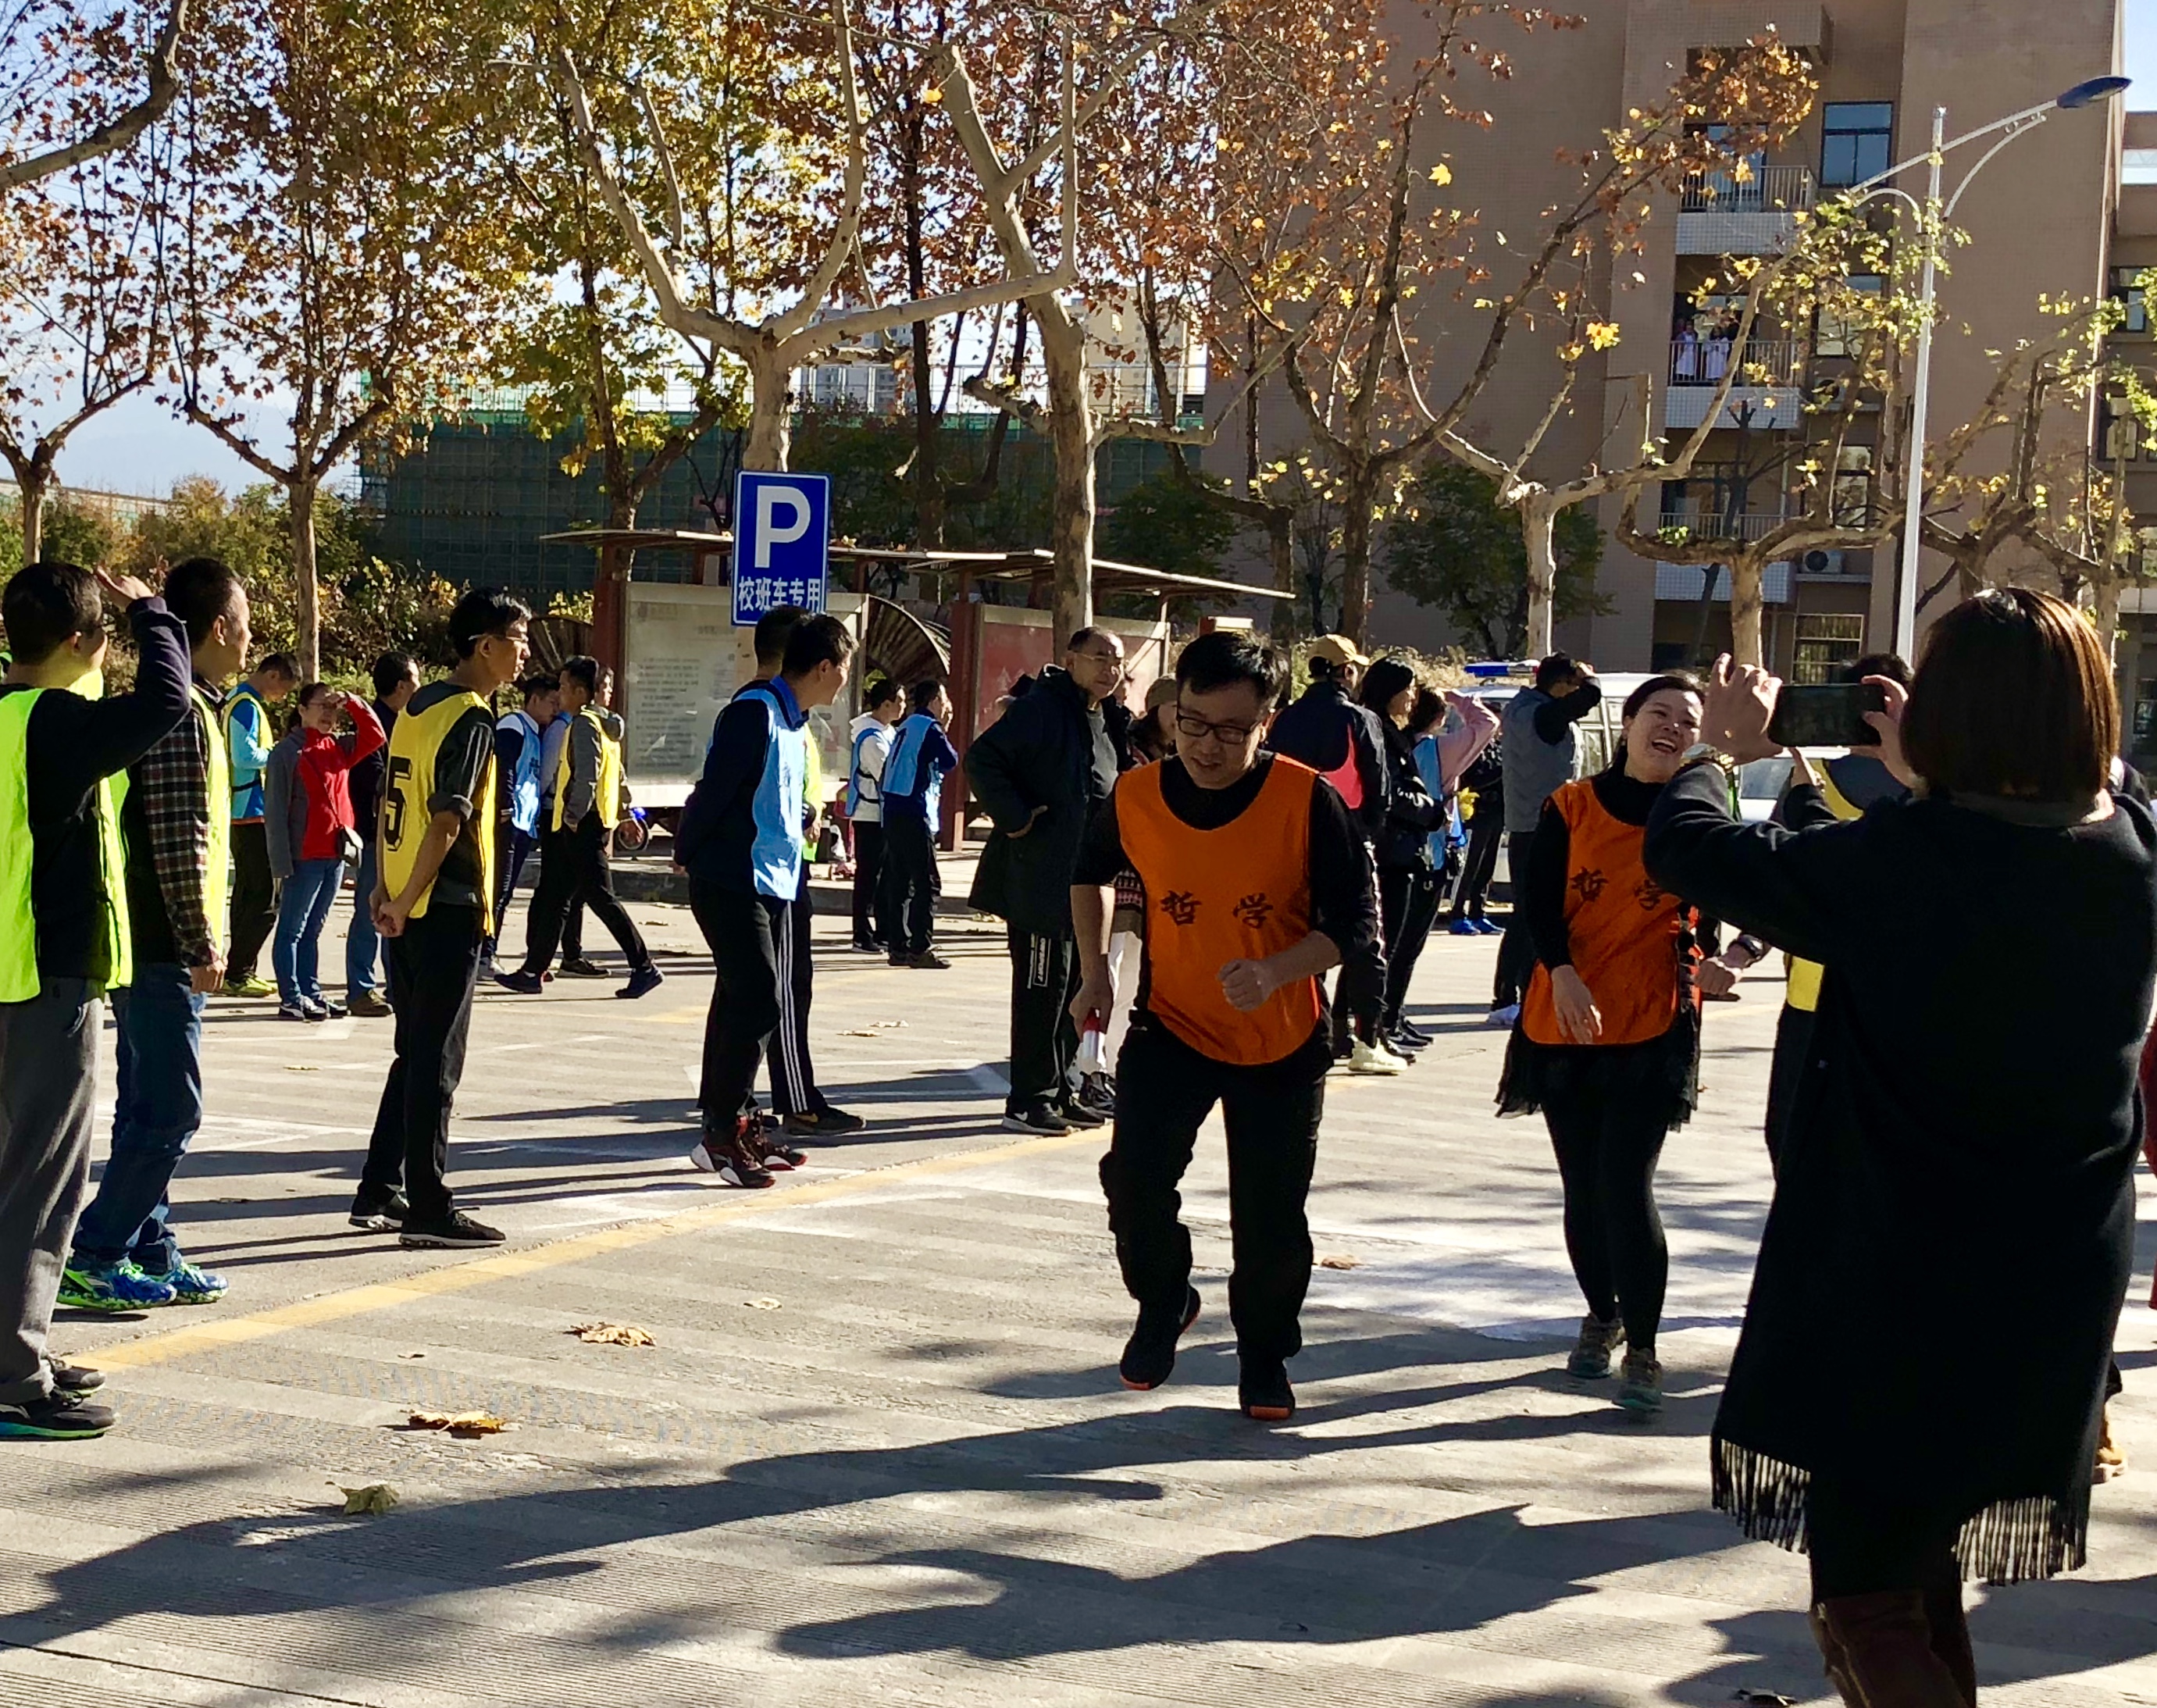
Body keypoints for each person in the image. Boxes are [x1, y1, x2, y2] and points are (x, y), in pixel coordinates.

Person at [1644, 594, 2155, 1707]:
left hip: (1898, 1260)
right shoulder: (2127, 842)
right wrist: (1927, 769)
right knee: (1919, 1567)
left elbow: (1691, 849)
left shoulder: (1907, 860)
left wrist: (1722, 754)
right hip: (2058, 1262)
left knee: (1867, 1582)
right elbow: (2032, 819)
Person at [1071, 631, 1378, 1425]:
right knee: (1133, 1184)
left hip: (1281, 1041)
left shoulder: (1307, 800)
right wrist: (1095, 971)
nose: (1208, 746)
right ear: (1172, 712)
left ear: (1266, 722)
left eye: (1233, 730)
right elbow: (1088, 873)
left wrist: (1276, 970)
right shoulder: (1135, 795)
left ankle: (1264, 1357)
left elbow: (1354, 925)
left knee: (1269, 1219)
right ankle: (1164, 1300)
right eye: (1194, 724)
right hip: (1171, 1024)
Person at [1495, 673, 1747, 1417]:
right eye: (1657, 713)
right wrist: (1564, 974)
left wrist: (1731, 957)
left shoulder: (1696, 812)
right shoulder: (1570, 804)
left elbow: (1738, 897)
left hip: (1653, 1018)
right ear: (1627, 722)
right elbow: (1537, 904)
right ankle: (1599, 1314)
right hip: (1566, 1015)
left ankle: (1643, 1345)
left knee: (1625, 1184)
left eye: (1687, 720)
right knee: (1582, 1185)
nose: (1671, 727)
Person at [0, 558, 191, 1439]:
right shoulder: (56, 722)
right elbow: (167, 700)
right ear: (82, 641)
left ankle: (20, 1347)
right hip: (43, 980)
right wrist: (154, 612)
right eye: (105, 636)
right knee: (42, 1181)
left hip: (15, 971)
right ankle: (15, 1375)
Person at [62, 557, 245, 1320]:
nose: (249, 639)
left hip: (153, 937)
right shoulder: (180, 715)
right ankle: (97, 1252)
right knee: (171, 1109)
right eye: (243, 624)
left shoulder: (196, 708)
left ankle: (149, 1245)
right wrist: (201, 941)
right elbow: (177, 836)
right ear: (217, 629)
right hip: (163, 942)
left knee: (144, 1103)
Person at [355, 588, 532, 1250]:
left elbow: (388, 799)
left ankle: (380, 1185)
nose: (524, 653)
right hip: (445, 907)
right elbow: (447, 819)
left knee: (415, 1052)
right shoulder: (472, 718)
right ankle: (429, 1205)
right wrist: (402, 898)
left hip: (406, 901)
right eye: (517, 640)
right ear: (484, 646)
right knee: (438, 1063)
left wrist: (384, 887)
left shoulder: (417, 706)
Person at [676, 614, 855, 1189]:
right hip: (730, 877)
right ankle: (721, 1133)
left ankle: (738, 1121)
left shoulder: (792, 719)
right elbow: (714, 790)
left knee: (749, 1000)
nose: (845, 680)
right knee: (757, 1000)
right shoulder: (754, 712)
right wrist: (685, 852)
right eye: (844, 668)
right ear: (823, 667)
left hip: (773, 880)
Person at [968, 626, 1128, 1136]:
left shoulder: (1105, 718)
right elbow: (982, 760)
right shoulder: (1041, 709)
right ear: (1071, 660)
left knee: (1076, 987)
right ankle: (1028, 1099)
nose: (1110, 669)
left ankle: (1060, 1090)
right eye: (1099, 658)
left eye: (1117, 660)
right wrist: (1016, 818)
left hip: (1086, 883)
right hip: (1039, 880)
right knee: (1042, 991)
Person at [1759, 652, 1913, 1167]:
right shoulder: (1943, 791)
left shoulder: (1935, 792)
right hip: (1830, 998)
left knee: (1801, 1143)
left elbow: (1774, 876)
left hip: (1854, 1002)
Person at [728, 606, 861, 1139]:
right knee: (778, 989)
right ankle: (793, 1101)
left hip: (785, 864)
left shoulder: (789, 713)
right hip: (766, 872)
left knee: (755, 991)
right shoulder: (760, 709)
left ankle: (731, 1105)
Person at [496, 657, 662, 1000]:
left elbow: (587, 776)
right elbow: (617, 776)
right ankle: (532, 971)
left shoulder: (584, 724)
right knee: (556, 897)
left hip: (581, 825)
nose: (559, 694)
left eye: (564, 687)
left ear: (581, 692)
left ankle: (643, 965)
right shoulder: (604, 725)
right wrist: (625, 812)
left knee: (601, 897)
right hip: (578, 824)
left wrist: (573, 817)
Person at [1268, 635, 1397, 1072]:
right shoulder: (1359, 718)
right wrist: (1367, 835)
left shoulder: (1283, 719)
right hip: (1349, 840)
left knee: (1303, 939)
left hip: (1291, 843)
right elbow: (1379, 789)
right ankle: (1367, 1041)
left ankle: (1307, 1031)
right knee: (1366, 940)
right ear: (1346, 671)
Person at [1491, 652, 1602, 1024]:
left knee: (1532, 913)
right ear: (1559, 686)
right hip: (1540, 826)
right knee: (1529, 915)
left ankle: (1520, 991)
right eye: (1572, 685)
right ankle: (1507, 997)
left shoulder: (1521, 710)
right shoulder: (1543, 716)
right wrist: (1589, 678)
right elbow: (1590, 697)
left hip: (1527, 823)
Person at [265, 684, 386, 1021]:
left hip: (335, 855)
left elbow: (375, 736)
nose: (328, 715)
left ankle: (311, 991)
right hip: (302, 857)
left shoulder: (337, 746)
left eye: (333, 708)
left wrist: (353, 703)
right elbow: (275, 812)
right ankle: (291, 996)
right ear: (302, 710)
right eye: (322, 706)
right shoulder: (287, 753)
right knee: (292, 930)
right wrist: (280, 864)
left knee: (313, 929)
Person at [1357, 661, 1443, 1060]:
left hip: (1401, 850)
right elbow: (1390, 793)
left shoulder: (1390, 730)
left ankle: (1375, 1027)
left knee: (1385, 947)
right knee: (1383, 948)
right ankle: (1371, 1033)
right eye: (1407, 689)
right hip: (1391, 851)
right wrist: (1431, 810)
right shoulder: (1376, 729)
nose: (1412, 697)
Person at [219, 648, 298, 997]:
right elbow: (244, 756)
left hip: (243, 808)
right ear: (273, 675)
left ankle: (238, 969)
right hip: (250, 808)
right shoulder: (246, 706)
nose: (282, 697)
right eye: (284, 689)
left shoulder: (237, 699)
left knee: (248, 893)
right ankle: (239, 971)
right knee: (265, 896)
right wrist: (279, 754)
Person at [347, 651, 419, 1017]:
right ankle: (360, 989)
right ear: (402, 685)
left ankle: (397, 983)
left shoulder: (409, 723)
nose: (420, 688)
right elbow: (373, 778)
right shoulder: (374, 725)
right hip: (375, 832)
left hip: (403, 832)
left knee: (398, 909)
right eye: (415, 680)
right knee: (369, 909)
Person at [880, 679, 960, 969]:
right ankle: (920, 947)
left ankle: (897, 946)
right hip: (914, 810)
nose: (947, 705)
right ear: (935, 700)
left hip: (892, 808)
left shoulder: (906, 726)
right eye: (944, 699)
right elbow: (950, 760)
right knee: (927, 882)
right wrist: (945, 728)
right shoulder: (930, 727)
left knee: (900, 881)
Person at [482, 672, 558, 975]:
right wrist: (505, 805)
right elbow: (504, 767)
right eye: (551, 702)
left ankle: (488, 951)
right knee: (498, 890)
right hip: (510, 821)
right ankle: (485, 954)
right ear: (534, 699)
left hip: (525, 822)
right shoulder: (514, 725)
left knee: (506, 891)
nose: (554, 709)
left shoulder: (537, 733)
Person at [526, 676, 595, 979]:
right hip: (556, 814)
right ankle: (538, 957)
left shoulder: (584, 724)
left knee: (571, 892)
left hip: (568, 815)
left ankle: (565, 955)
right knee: (555, 891)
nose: (555, 706)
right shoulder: (561, 728)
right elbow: (547, 774)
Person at [846, 677, 904, 953]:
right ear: (885, 704)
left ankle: (883, 931)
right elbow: (888, 775)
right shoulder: (871, 738)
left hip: (882, 813)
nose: (903, 706)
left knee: (885, 875)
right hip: (869, 814)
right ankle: (861, 933)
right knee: (868, 875)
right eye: (899, 701)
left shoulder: (887, 731)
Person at [1448, 739, 1505, 936]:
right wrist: (1502, 771)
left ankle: (1477, 912)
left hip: (1496, 814)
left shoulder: (1498, 747)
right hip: (1476, 814)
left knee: (1486, 866)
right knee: (1469, 867)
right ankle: (1457, 914)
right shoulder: (1472, 745)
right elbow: (1472, 779)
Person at [1128, 676, 1180, 765]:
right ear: (1155, 709)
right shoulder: (1130, 748)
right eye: (1175, 707)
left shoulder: (1181, 753)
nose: (1182, 716)